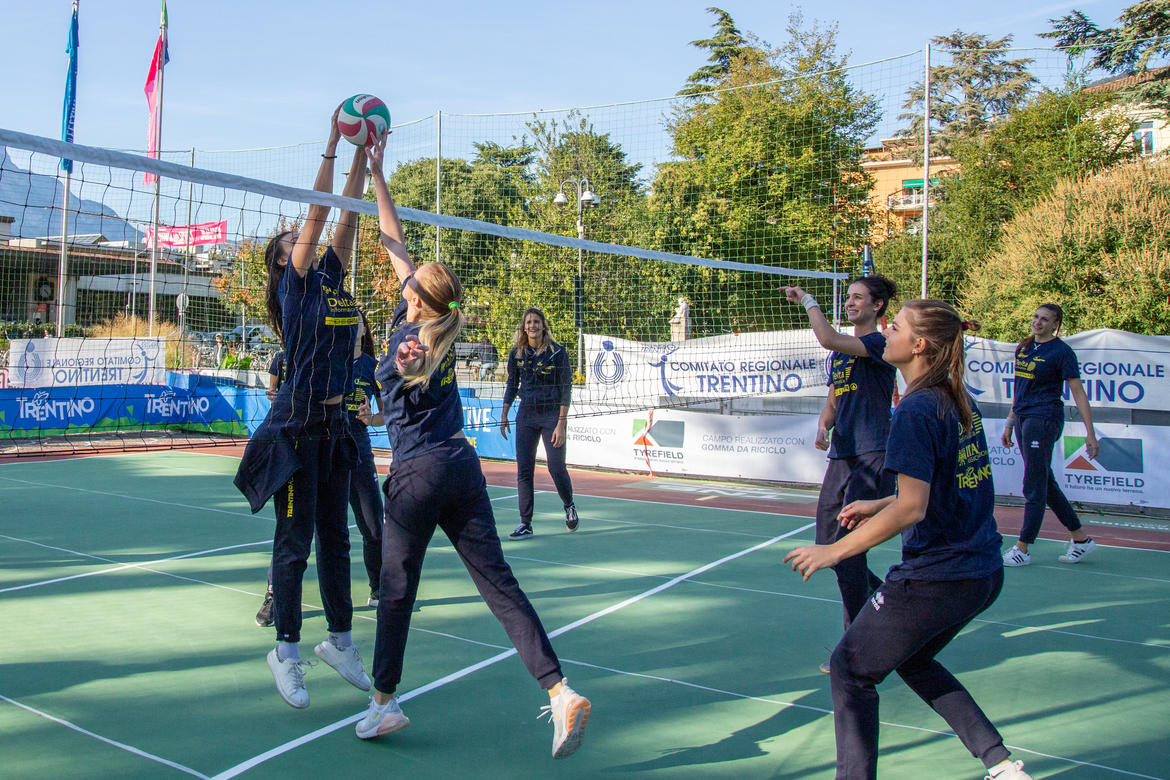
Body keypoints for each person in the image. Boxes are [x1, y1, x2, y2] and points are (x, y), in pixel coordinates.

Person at [355, 134, 591, 759]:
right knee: (498, 583)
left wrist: (397, 369)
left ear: (417, 297)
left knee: (396, 589)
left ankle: (383, 703)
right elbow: (393, 239)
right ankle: (560, 691)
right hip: (462, 465)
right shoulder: (436, 321)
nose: (403, 279)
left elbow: (404, 367)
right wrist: (377, 174)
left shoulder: (410, 341)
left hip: (419, 474)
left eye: (409, 282)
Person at [784, 300, 1031, 780]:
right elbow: (943, 486)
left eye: (894, 327)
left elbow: (913, 509)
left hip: (938, 576)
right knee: (913, 660)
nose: (886, 333)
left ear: (918, 345)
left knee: (850, 670)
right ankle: (1000, 764)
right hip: (983, 571)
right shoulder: (956, 398)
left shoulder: (917, 408)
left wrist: (834, 550)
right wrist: (881, 503)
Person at [234, 105, 369, 709]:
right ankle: (286, 653)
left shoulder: (332, 279)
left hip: (337, 426)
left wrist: (364, 154)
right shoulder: (293, 285)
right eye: (292, 239)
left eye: (301, 235)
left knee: (337, 540)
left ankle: (340, 642)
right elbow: (318, 214)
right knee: (296, 543)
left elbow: (345, 216)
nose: (301, 234)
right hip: (296, 427)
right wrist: (333, 144)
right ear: (282, 258)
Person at [782, 277, 897, 674]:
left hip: (873, 453)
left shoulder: (880, 344)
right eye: (848, 297)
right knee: (828, 545)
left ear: (877, 306)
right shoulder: (841, 355)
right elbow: (835, 395)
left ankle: (855, 645)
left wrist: (808, 300)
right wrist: (823, 423)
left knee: (849, 550)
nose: (850, 302)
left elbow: (827, 338)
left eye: (857, 298)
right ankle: (891, 601)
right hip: (842, 455)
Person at [1001, 303, 1100, 566]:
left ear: (1055, 325)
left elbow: (1078, 392)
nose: (1038, 322)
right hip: (1023, 418)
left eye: (1044, 319)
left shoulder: (1061, 352)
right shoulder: (1024, 348)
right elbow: (1019, 389)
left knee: (1034, 484)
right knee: (1045, 482)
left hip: (1044, 419)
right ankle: (1081, 539)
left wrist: (1090, 433)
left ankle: (1022, 548)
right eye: (1036, 317)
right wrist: (1010, 422)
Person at [499, 307, 579, 539]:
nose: (532, 325)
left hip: (551, 415)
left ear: (543, 326)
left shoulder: (557, 352)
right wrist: (504, 415)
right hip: (526, 415)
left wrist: (561, 424)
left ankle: (569, 505)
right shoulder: (517, 353)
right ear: (524, 327)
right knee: (524, 470)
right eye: (529, 322)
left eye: (536, 322)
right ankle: (525, 523)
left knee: (556, 466)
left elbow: (566, 389)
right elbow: (512, 385)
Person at [348, 310, 384, 607]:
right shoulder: (328, 359)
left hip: (359, 451)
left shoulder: (373, 368)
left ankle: (379, 589)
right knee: (302, 529)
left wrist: (371, 419)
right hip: (327, 450)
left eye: (356, 320)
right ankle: (276, 593)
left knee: (374, 528)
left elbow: (389, 412)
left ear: (363, 329)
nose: (352, 324)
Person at [255, 348, 287, 628]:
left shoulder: (332, 354)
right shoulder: (282, 358)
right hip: (289, 442)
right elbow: (272, 392)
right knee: (288, 530)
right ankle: (273, 594)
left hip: (333, 444)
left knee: (335, 536)